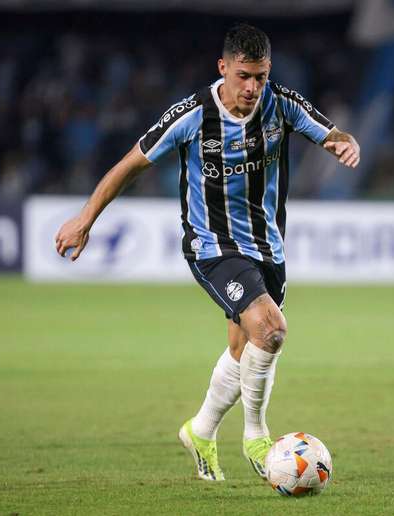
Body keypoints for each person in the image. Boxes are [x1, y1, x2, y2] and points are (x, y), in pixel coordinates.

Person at [54, 23, 360, 479]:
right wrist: (85, 218)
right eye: (243, 76)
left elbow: (334, 133)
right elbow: (129, 165)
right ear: (223, 68)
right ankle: (257, 437)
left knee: (245, 348)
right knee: (271, 329)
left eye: (260, 76)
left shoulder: (283, 104)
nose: (253, 87)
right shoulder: (193, 113)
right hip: (212, 246)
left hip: (267, 248)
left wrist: (344, 144)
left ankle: (200, 429)